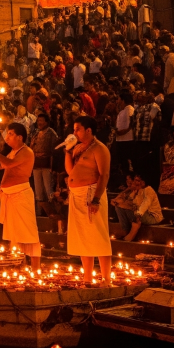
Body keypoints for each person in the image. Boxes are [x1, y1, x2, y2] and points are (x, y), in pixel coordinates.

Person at [0, 123, 42, 269]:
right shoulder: (12, 152)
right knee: (14, 234)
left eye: (11, 133)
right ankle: (19, 264)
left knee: (28, 232)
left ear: (20, 137)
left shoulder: (26, 151)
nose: (8, 136)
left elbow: (9, 163)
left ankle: (36, 268)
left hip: (21, 195)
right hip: (9, 196)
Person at [63, 114, 112, 282]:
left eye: (77, 129)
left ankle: (106, 278)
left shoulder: (99, 148)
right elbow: (71, 171)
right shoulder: (79, 148)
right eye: (74, 129)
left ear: (88, 130)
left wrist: (96, 199)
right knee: (83, 237)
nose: (74, 133)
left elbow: (104, 175)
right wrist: (68, 152)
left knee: (98, 236)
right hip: (77, 194)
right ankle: (87, 278)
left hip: (91, 193)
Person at [111, 171, 163, 242]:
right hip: (141, 214)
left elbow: (145, 204)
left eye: (137, 180)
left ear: (143, 182)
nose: (135, 182)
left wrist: (138, 214)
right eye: (135, 180)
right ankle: (126, 231)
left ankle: (131, 232)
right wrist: (117, 201)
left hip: (152, 216)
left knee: (128, 209)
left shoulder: (149, 190)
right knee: (119, 207)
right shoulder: (138, 190)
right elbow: (129, 201)